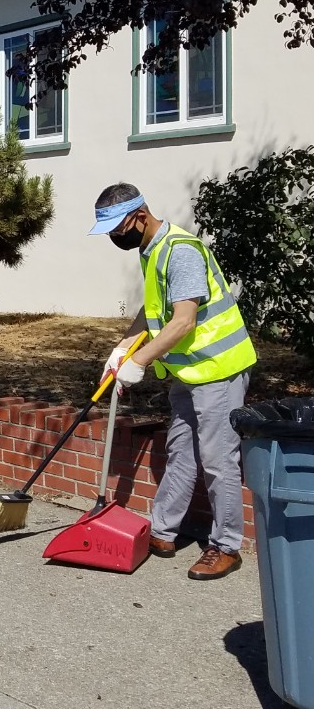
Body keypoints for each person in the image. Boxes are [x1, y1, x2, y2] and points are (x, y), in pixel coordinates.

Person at [91, 183, 256, 581]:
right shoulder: (152, 249)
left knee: (218, 459)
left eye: (117, 229)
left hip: (219, 369)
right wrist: (123, 348)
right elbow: (153, 309)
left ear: (140, 217)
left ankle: (226, 546)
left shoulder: (180, 251)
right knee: (180, 450)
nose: (115, 237)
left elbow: (183, 321)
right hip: (190, 372)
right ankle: (163, 532)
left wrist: (140, 361)